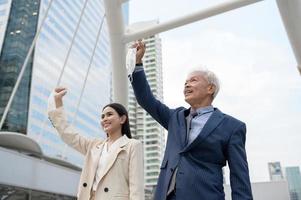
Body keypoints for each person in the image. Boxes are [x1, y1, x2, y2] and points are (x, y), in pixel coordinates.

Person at [129, 41, 253, 200]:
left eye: (193, 80)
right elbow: (146, 100)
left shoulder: (232, 127)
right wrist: (138, 63)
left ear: (210, 88)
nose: (186, 84)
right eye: (185, 82)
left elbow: (239, 177)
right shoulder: (175, 117)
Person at [48, 87, 144, 200]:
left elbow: (136, 188)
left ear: (122, 119)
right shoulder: (94, 146)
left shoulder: (132, 145)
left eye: (109, 114)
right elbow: (68, 134)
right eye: (102, 116)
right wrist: (58, 104)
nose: (104, 119)